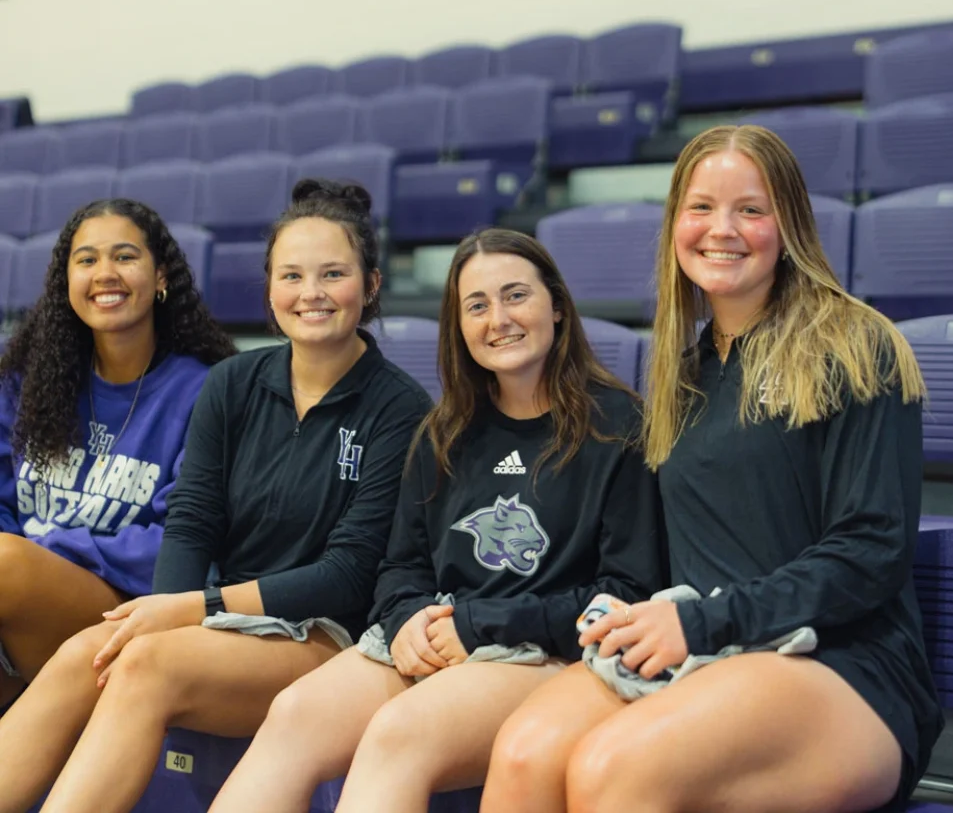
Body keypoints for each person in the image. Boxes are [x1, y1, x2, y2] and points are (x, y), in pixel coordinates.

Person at [482, 125, 943, 813]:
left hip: (843, 666)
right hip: (707, 649)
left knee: (614, 768)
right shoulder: (683, 372)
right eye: (701, 208)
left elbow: (869, 553)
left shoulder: (856, 344)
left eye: (750, 210)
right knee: (524, 752)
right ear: (675, 224)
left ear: (788, 224)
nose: (721, 229)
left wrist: (701, 624)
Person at [0, 179, 431, 813]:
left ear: (368, 287)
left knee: (146, 664)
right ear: (270, 291)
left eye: (332, 274)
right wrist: (169, 612)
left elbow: (345, 576)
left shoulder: (400, 407)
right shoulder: (233, 383)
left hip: (323, 634)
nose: (309, 293)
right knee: (80, 656)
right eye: (291, 276)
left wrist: (184, 612)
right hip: (221, 621)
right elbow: (192, 524)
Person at [207, 227, 664, 813]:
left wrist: (477, 625)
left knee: (398, 733)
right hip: (440, 639)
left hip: (544, 652)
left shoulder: (618, 426)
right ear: (460, 326)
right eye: (477, 306)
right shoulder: (445, 431)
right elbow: (401, 566)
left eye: (516, 295)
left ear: (556, 304)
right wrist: (405, 622)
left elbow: (626, 593)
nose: (498, 318)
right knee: (294, 714)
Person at [0, 198, 235, 712]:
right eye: (86, 260)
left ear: (161, 275)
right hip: (19, 595)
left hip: (130, 603)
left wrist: (48, 554)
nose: (105, 273)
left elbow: (186, 541)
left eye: (125, 257)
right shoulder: (29, 382)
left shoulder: (205, 390)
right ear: (66, 282)